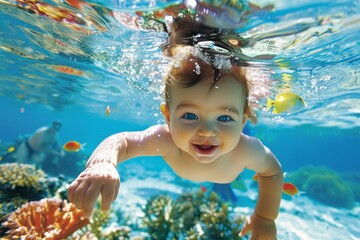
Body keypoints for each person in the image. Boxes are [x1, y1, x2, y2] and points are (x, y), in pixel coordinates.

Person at [67, 47, 284, 239]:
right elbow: (122, 140)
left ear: (243, 120)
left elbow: (272, 172)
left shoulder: (246, 149)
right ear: (168, 117)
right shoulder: (166, 140)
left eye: (224, 118)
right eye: (190, 116)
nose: (207, 131)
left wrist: (265, 217)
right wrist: (103, 162)